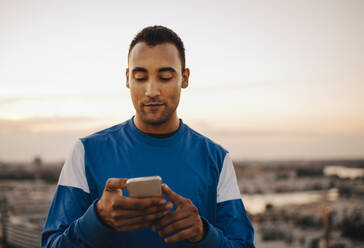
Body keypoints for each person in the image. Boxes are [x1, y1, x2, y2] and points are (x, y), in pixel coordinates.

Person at [42, 25, 255, 248]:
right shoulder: (85, 153)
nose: (152, 91)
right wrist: (97, 219)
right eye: (141, 77)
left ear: (184, 78)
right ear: (127, 79)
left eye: (164, 77)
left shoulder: (217, 159)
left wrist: (203, 234)